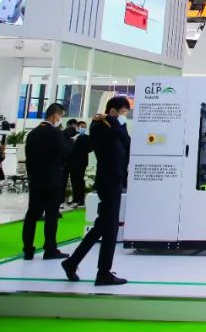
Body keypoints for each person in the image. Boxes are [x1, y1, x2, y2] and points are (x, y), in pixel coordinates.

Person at [62, 96, 131, 286]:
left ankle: (72, 262)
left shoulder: (117, 125)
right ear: (113, 110)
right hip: (107, 181)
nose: (125, 116)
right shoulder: (99, 125)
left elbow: (126, 142)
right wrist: (114, 121)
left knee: (103, 226)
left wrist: (119, 123)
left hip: (116, 180)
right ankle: (103, 273)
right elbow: (110, 139)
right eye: (123, 112)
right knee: (109, 228)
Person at [22, 103, 72, 261]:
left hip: (36, 179)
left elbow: (29, 158)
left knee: (31, 215)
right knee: (51, 216)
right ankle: (50, 249)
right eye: (61, 116)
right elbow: (65, 153)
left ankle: (28, 249)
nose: (60, 119)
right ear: (56, 115)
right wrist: (70, 142)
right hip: (52, 180)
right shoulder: (56, 133)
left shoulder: (32, 133)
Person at [66, 118, 92, 208]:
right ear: (77, 127)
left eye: (84, 127)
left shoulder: (87, 137)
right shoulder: (73, 136)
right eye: (81, 126)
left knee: (79, 181)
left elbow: (90, 148)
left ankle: (80, 199)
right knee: (74, 181)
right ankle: (75, 199)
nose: (82, 128)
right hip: (72, 161)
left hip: (81, 162)